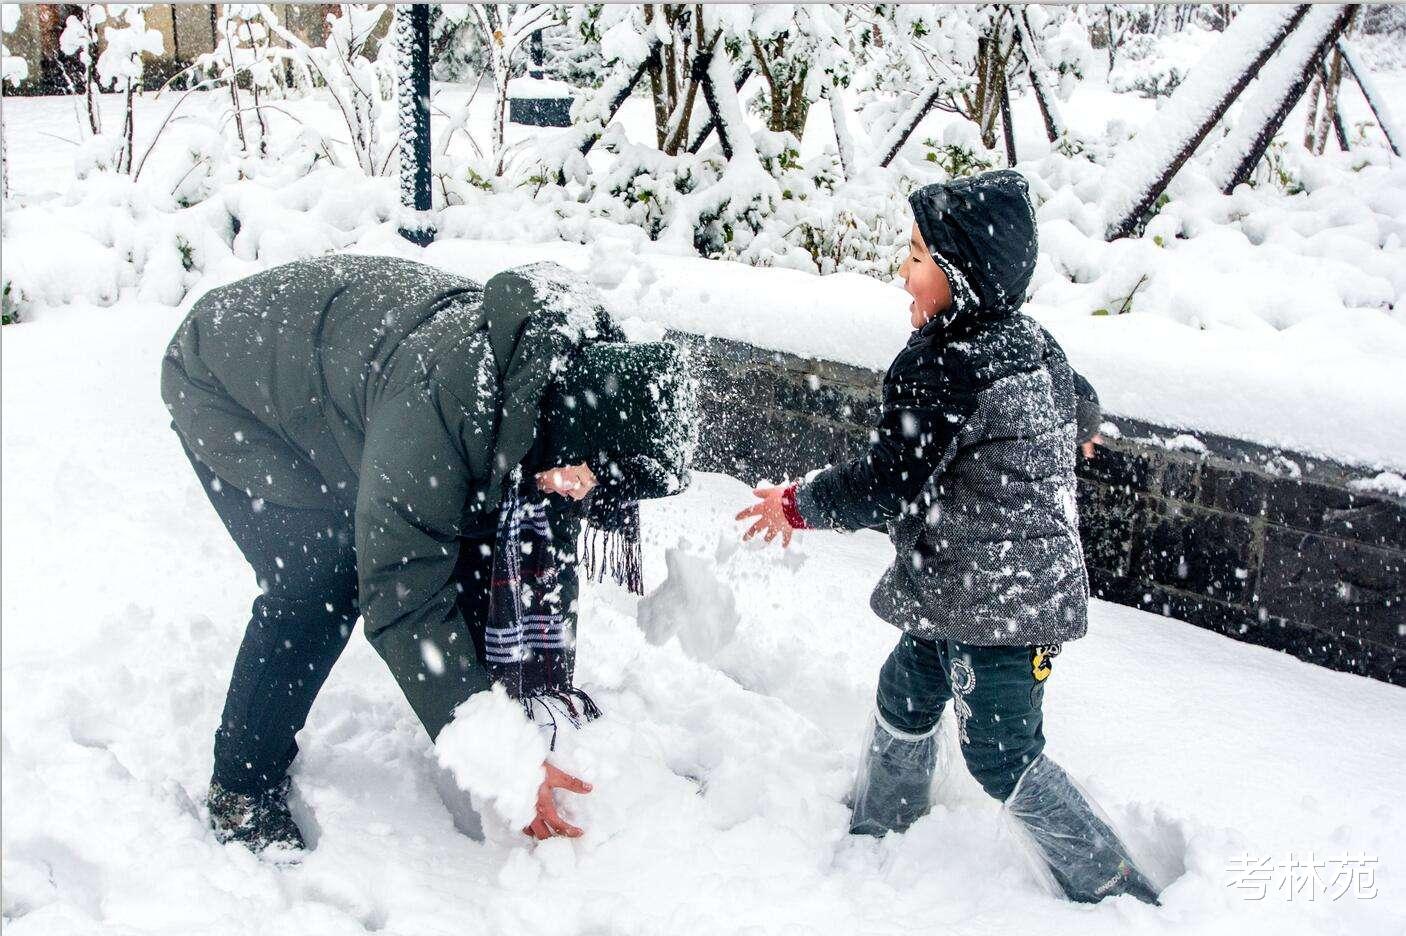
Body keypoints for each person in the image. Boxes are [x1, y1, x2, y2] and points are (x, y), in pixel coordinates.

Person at [161, 256, 696, 853]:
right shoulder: (446, 413)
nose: (582, 492)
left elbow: (535, 554)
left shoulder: (563, 391)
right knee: (322, 584)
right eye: (587, 474)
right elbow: (400, 594)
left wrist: (532, 700)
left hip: (344, 378)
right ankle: (242, 786)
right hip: (227, 384)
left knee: (485, 529)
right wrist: (499, 758)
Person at [736, 169, 1160, 905]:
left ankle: (1114, 887)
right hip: (959, 580)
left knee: (1001, 752)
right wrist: (1077, 431)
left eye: (919, 257)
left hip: (1003, 602)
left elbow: (888, 480)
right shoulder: (1027, 341)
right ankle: (883, 822)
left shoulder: (945, 368)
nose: (903, 269)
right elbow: (1079, 398)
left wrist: (798, 504)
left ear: (962, 279)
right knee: (906, 691)